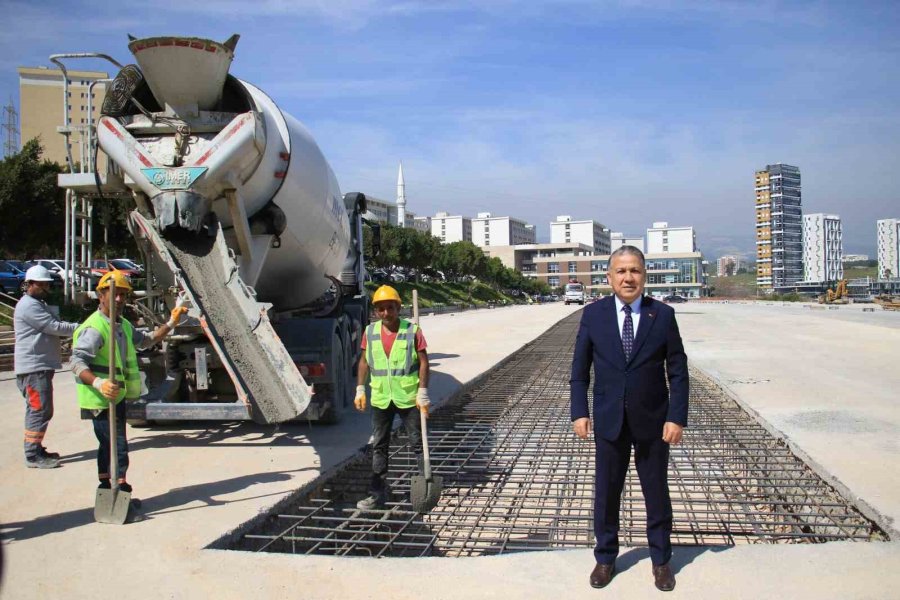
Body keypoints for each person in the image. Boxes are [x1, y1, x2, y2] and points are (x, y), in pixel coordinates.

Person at [570, 245, 689, 592]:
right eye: (621, 271)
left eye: (634, 271)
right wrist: (580, 411)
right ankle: (605, 557)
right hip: (609, 420)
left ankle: (661, 560)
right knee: (607, 492)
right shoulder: (593, 316)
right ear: (609, 277)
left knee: (656, 492)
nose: (628, 277)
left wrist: (676, 417)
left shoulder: (663, 315)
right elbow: (580, 372)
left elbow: (678, 372)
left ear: (644, 277)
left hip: (654, 421)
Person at [70, 270, 187, 495]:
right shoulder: (95, 328)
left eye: (123, 295)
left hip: (117, 396)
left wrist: (172, 322)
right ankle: (120, 490)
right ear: (100, 295)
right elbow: (76, 361)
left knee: (109, 445)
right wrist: (98, 383)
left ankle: (106, 485)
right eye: (113, 293)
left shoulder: (122, 324)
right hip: (100, 398)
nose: (119, 299)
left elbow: (147, 341)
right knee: (117, 446)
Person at [354, 284, 430, 510]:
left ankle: (425, 488)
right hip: (381, 398)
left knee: (418, 444)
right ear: (376, 311)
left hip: (408, 398)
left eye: (390, 308)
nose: (386, 313)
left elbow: (424, 362)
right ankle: (377, 493)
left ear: (398, 308)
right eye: (381, 309)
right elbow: (364, 362)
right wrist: (360, 389)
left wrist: (423, 391)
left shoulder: (412, 331)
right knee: (379, 445)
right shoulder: (370, 332)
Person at [14, 265, 80, 468]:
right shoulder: (29, 306)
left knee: (40, 409)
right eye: (42, 285)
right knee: (39, 410)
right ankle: (32, 455)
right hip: (33, 368)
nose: (46, 288)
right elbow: (54, 327)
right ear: (29, 284)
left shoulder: (37, 303)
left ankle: (35, 447)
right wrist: (82, 328)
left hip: (38, 367)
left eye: (47, 285)